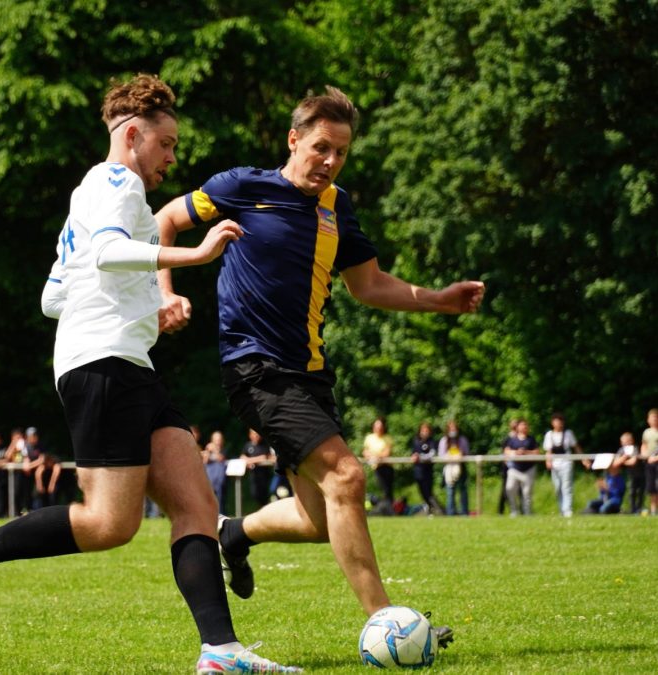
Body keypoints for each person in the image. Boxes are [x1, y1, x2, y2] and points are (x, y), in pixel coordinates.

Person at [0, 74, 296, 673]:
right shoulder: (115, 180)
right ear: (133, 134)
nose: (173, 156)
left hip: (126, 361)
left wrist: (150, 305)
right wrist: (193, 257)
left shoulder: (99, 193)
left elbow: (52, 296)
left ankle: (221, 653)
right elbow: (106, 254)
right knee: (107, 524)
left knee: (196, 506)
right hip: (102, 363)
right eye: (166, 143)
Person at [154, 86, 480, 645]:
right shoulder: (241, 186)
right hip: (254, 367)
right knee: (348, 477)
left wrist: (439, 298)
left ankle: (233, 533)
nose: (330, 162)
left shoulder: (337, 205)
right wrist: (165, 291)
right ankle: (390, 624)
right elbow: (163, 221)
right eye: (321, 148)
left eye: (341, 153)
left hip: (310, 373)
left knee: (319, 517)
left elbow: (370, 284)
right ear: (294, 139)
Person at [543, 412, 582, 517]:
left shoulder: (568, 433)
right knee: (557, 487)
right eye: (556, 421)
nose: (559, 424)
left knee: (566, 486)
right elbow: (548, 450)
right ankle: (561, 509)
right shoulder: (549, 435)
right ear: (552, 423)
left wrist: (583, 459)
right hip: (555, 464)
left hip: (566, 463)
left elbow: (576, 447)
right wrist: (548, 461)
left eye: (561, 422)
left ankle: (567, 509)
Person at [584, 434, 630, 514]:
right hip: (604, 499)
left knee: (603, 509)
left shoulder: (620, 479)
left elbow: (618, 493)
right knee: (590, 504)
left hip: (614, 501)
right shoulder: (607, 477)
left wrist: (607, 488)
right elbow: (603, 493)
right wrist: (601, 488)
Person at [503, 419, 540, 516]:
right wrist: (516, 452)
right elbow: (506, 451)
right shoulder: (512, 439)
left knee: (527, 492)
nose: (524, 427)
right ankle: (514, 510)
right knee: (509, 488)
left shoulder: (531, 439)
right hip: (514, 468)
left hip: (528, 469)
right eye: (522, 425)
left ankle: (527, 512)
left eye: (526, 425)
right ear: (518, 427)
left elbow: (537, 452)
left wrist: (526, 452)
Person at [362, 418, 395, 515]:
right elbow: (365, 451)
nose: (378, 428)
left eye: (380, 427)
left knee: (387, 490)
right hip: (376, 467)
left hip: (386, 467)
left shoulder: (387, 438)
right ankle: (382, 510)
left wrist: (376, 456)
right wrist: (372, 457)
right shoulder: (369, 438)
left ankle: (389, 511)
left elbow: (387, 452)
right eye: (377, 427)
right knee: (380, 489)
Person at [437, 421, 470, 516]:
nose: (453, 431)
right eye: (451, 429)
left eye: (454, 429)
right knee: (450, 491)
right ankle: (450, 513)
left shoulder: (462, 440)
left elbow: (466, 453)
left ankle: (464, 512)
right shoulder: (444, 441)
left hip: (461, 467)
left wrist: (460, 454)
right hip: (448, 468)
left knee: (463, 490)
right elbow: (441, 455)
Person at [410, 422, 442, 515]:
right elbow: (413, 454)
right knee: (422, 492)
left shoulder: (432, 442)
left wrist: (420, 457)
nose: (425, 432)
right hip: (418, 471)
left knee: (429, 493)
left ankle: (437, 510)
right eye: (423, 430)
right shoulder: (416, 441)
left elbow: (432, 454)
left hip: (428, 471)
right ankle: (430, 509)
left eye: (427, 430)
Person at [241, 429, 274, 508]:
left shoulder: (264, 445)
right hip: (253, 475)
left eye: (257, 434)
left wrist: (250, 460)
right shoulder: (248, 446)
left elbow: (267, 457)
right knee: (255, 493)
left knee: (265, 495)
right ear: (250, 435)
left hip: (264, 475)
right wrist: (257, 459)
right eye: (254, 434)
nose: (256, 436)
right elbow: (242, 457)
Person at [203, 431, 229, 514]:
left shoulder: (225, 450)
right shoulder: (209, 450)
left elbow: (221, 458)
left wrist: (215, 450)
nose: (218, 441)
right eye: (216, 440)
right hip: (209, 479)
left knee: (220, 499)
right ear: (212, 440)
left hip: (220, 480)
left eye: (219, 439)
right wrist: (207, 451)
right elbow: (205, 461)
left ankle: (221, 515)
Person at [497, 419, 519, 515]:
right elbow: (504, 452)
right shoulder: (507, 439)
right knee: (505, 489)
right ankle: (501, 510)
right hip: (508, 467)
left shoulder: (520, 438)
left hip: (518, 467)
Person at [641, 409, 658, 516]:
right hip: (649, 462)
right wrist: (645, 456)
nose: (654, 420)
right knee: (651, 487)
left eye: (656, 417)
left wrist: (656, 458)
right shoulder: (646, 432)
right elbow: (644, 445)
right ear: (648, 420)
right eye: (652, 417)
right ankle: (653, 510)